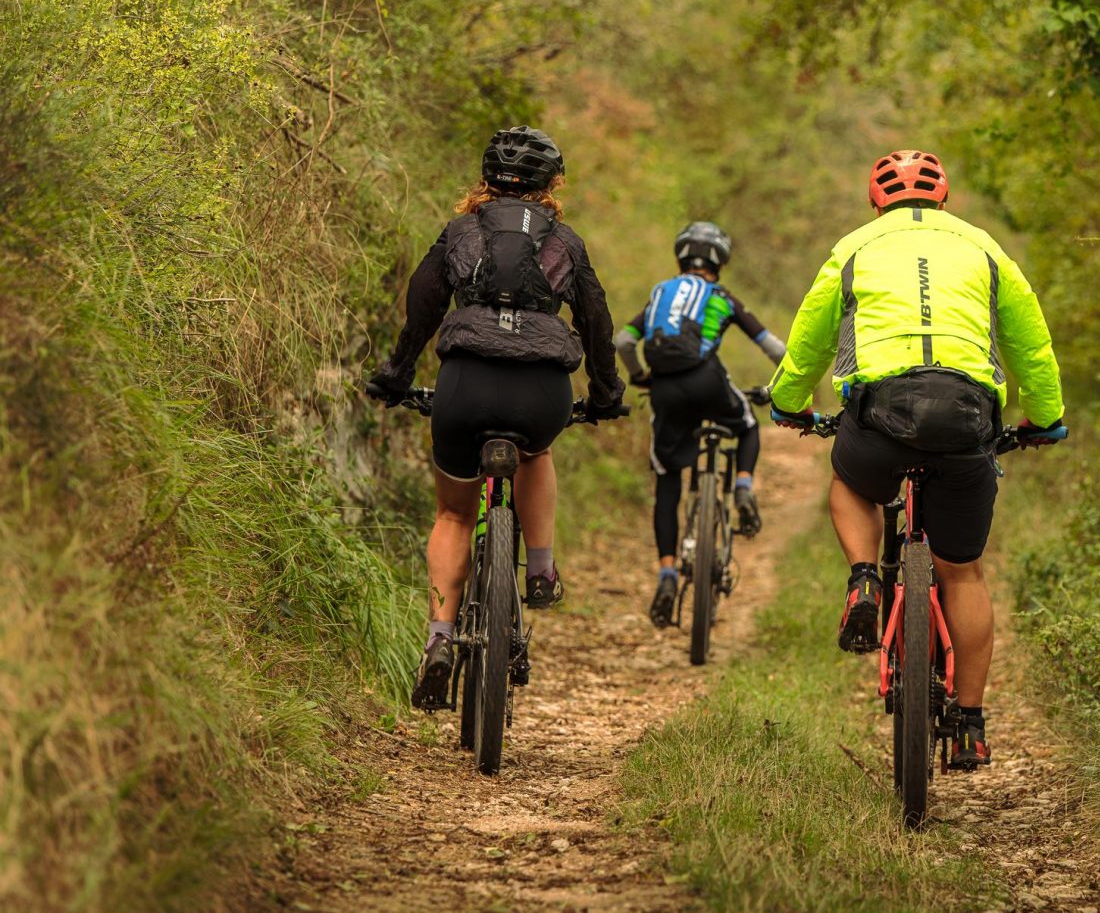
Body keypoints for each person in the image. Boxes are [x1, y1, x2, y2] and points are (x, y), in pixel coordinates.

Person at [767, 149, 1064, 769]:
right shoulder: (984, 248)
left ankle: (865, 578)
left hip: (881, 411)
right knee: (964, 572)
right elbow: (1028, 341)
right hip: (966, 417)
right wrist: (1043, 416)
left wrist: (790, 404)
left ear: (876, 201)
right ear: (943, 197)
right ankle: (972, 723)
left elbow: (811, 337)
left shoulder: (852, 248)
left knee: (852, 484)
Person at [367, 125, 628, 709]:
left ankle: (438, 637)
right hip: (542, 395)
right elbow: (597, 324)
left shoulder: (460, 232)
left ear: (484, 181)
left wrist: (397, 376)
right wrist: (607, 394)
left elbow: (422, 307)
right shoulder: (566, 242)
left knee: (454, 515)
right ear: (552, 185)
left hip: (464, 387)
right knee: (537, 449)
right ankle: (539, 568)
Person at [614, 222, 786, 626]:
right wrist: (783, 387)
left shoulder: (660, 293)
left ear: (680, 258)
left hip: (665, 392)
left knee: (668, 478)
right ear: (720, 262)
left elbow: (623, 341)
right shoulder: (721, 297)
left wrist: (641, 377)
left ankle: (668, 571)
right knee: (746, 424)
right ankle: (742, 485)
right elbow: (774, 347)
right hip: (707, 381)